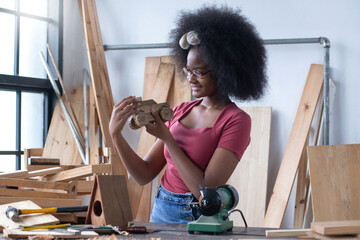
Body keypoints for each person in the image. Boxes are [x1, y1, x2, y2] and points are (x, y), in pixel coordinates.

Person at [109, 5, 267, 223]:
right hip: (161, 212)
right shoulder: (181, 110)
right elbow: (143, 175)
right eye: (188, 70)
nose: (191, 78)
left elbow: (205, 192)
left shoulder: (236, 121)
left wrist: (167, 138)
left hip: (197, 217)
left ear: (225, 71)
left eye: (199, 72)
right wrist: (116, 135)